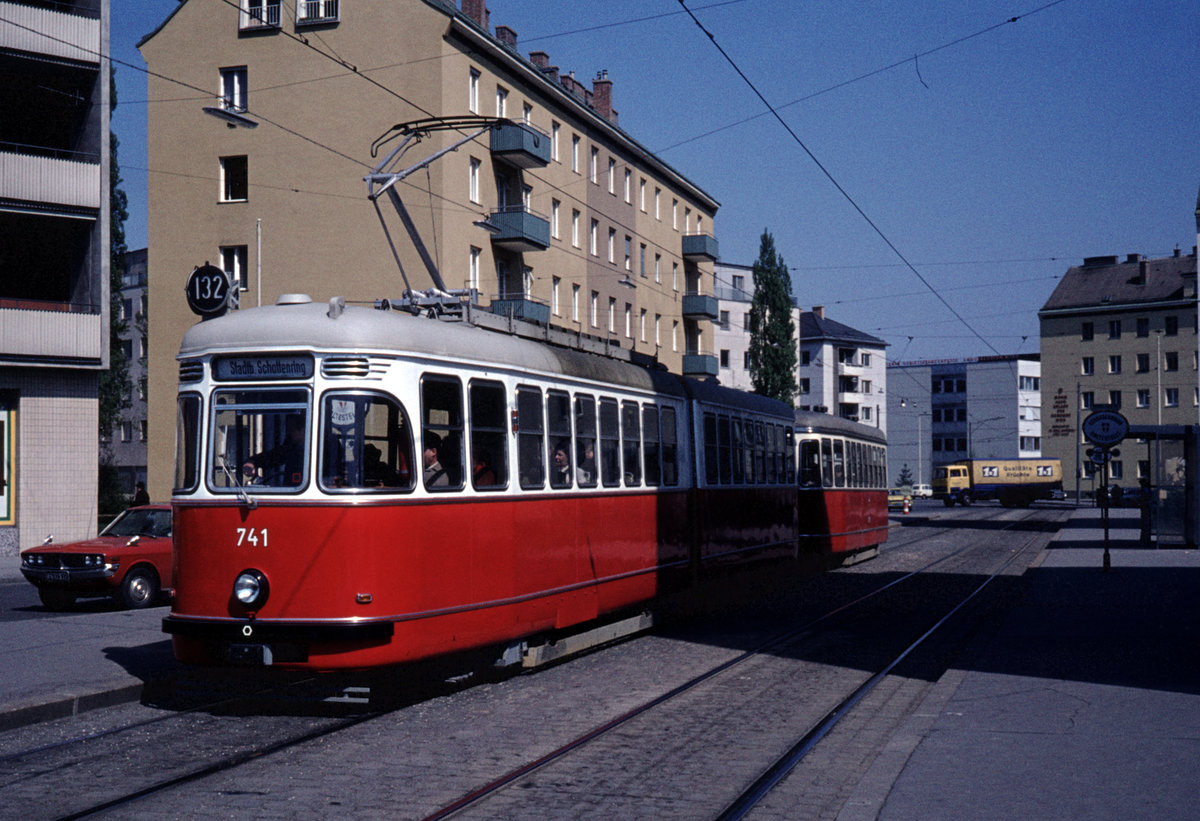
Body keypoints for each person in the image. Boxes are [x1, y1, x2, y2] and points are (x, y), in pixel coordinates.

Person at [243, 415, 306, 486]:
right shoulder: (292, 447)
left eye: (292, 430)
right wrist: (253, 462)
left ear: (303, 430)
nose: (289, 434)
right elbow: (274, 456)